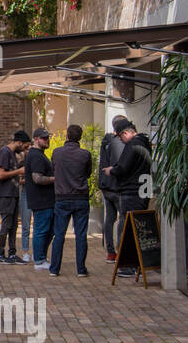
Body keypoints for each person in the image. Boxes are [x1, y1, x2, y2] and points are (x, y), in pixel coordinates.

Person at [104, 118, 153, 277]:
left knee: (128, 229)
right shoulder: (145, 143)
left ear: (126, 133)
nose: (120, 140)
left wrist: (112, 170)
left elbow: (123, 167)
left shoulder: (132, 145)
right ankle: (142, 262)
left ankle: (130, 265)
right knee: (141, 229)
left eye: (120, 137)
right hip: (144, 191)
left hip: (131, 192)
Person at [49, 124, 93, 276]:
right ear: (80, 137)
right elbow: (88, 173)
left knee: (59, 234)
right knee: (81, 234)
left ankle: (54, 269)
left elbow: (53, 168)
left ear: (67, 136)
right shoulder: (85, 154)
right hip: (80, 197)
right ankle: (81, 269)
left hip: (62, 197)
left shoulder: (57, 152)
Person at [0, 130, 30, 263]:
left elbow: (10, 175)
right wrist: (19, 171)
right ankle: (0, 253)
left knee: (13, 224)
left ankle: (12, 253)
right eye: (25, 146)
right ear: (19, 142)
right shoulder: (5, 152)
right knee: (6, 224)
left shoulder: (11, 154)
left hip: (12, 193)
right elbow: (0, 175)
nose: (26, 149)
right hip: (5, 195)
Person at [24, 128, 56, 269]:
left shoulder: (38, 154)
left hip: (44, 199)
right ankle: (39, 260)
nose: (47, 140)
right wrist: (56, 179)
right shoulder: (36, 156)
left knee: (48, 230)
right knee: (42, 230)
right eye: (44, 138)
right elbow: (37, 178)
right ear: (36, 139)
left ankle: (41, 257)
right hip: (41, 200)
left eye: (47, 137)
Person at [97, 122, 127, 263]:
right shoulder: (118, 144)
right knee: (122, 218)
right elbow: (120, 166)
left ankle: (110, 252)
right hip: (117, 186)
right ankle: (120, 250)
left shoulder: (106, 142)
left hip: (105, 186)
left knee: (109, 218)